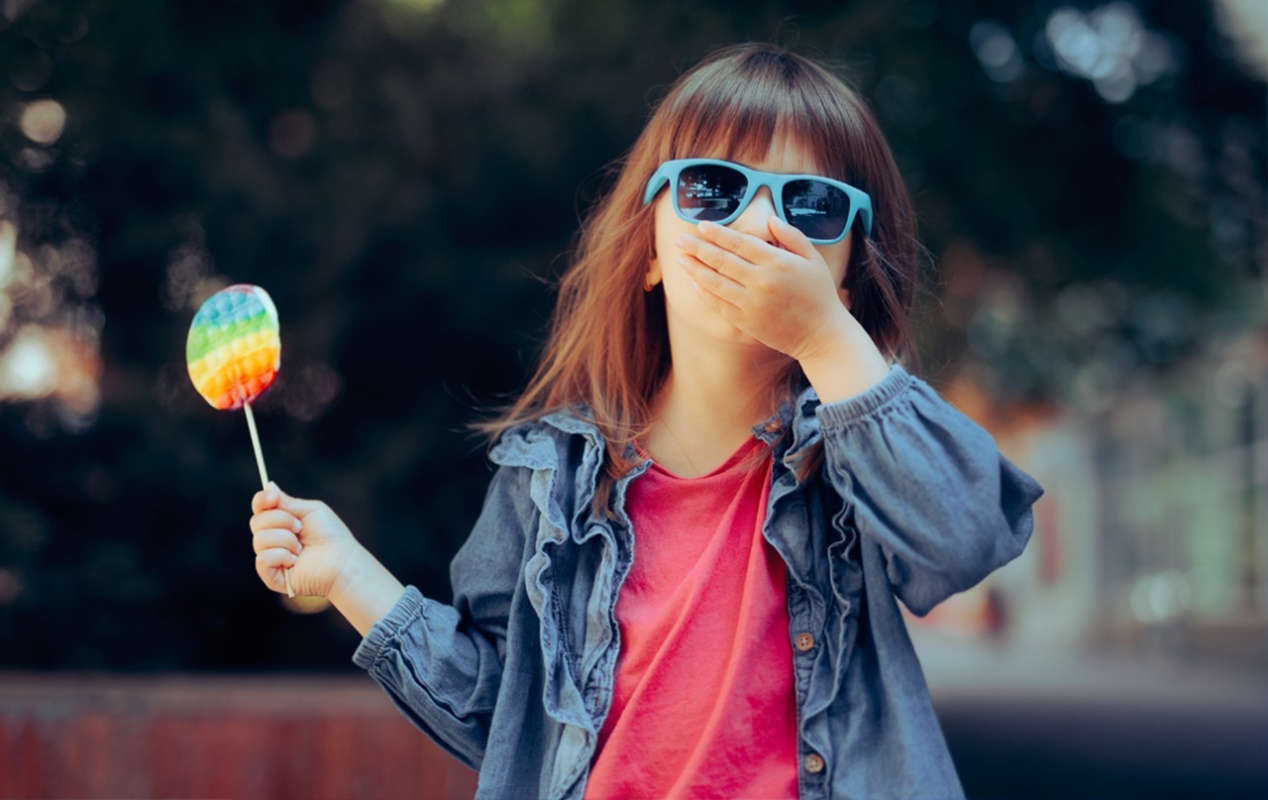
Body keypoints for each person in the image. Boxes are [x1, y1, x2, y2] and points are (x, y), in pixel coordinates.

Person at [249, 43, 1044, 800]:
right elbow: (511, 718)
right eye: (712, 190)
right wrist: (357, 580)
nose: (762, 228)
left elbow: (966, 536)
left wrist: (827, 339)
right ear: (650, 255)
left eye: (810, 205)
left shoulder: (856, 461)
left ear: (849, 273)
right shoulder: (546, 479)